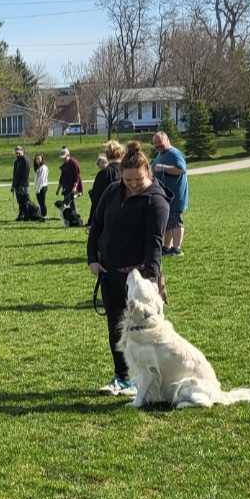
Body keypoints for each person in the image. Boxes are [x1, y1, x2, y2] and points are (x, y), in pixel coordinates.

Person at [86, 141, 170, 396]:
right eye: (128, 179)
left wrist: (151, 281)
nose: (133, 184)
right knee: (116, 328)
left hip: (139, 280)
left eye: (138, 179)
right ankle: (122, 377)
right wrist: (92, 258)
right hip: (110, 273)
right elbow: (97, 226)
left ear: (149, 173)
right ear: (121, 174)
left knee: (144, 332)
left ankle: (149, 380)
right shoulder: (112, 191)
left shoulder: (156, 202)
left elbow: (154, 244)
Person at [152, 131, 189, 256]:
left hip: (176, 195)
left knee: (176, 221)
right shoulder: (159, 155)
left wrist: (163, 167)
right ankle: (166, 247)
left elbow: (181, 169)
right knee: (167, 222)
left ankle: (177, 248)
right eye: (156, 145)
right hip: (164, 195)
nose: (158, 147)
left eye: (160, 143)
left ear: (167, 140)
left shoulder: (174, 153)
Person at [87, 141, 123, 225]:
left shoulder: (104, 173)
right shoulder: (128, 170)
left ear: (107, 154)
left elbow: (97, 199)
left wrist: (92, 221)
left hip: (108, 216)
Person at [10, 146, 31, 220]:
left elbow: (26, 174)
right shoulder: (16, 162)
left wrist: (22, 185)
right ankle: (21, 215)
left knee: (25, 201)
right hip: (17, 185)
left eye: (19, 152)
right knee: (19, 201)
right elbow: (14, 174)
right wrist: (13, 185)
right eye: (16, 152)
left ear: (22, 151)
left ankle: (27, 215)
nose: (17, 154)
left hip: (23, 185)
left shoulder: (26, 160)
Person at [33, 153, 49, 219]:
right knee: (40, 202)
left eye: (39, 159)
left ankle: (44, 215)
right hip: (38, 187)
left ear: (42, 159)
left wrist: (38, 189)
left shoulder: (44, 167)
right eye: (36, 159)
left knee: (42, 202)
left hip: (42, 187)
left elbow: (41, 179)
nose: (38, 160)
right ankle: (42, 215)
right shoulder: (38, 168)